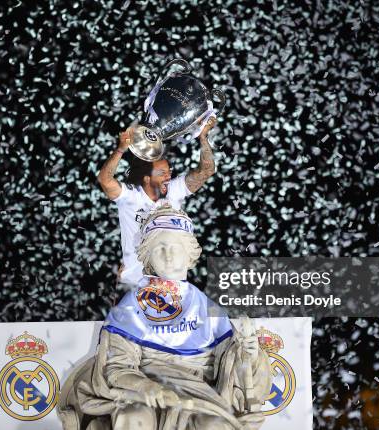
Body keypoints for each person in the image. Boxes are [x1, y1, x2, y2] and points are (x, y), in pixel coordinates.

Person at [57, 205, 272, 430]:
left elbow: (233, 367)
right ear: (147, 256)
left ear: (189, 254)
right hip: (144, 393)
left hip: (198, 398)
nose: (168, 256)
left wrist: (249, 355)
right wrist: (147, 387)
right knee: (135, 418)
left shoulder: (209, 311)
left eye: (175, 248)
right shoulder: (131, 308)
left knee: (212, 426)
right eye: (160, 248)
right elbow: (115, 368)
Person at [97, 117, 218, 287]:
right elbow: (104, 180)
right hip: (135, 284)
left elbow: (207, 170)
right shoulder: (130, 197)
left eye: (169, 172)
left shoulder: (174, 190)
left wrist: (203, 137)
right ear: (147, 178)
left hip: (171, 282)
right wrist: (120, 149)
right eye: (162, 173)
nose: (168, 176)